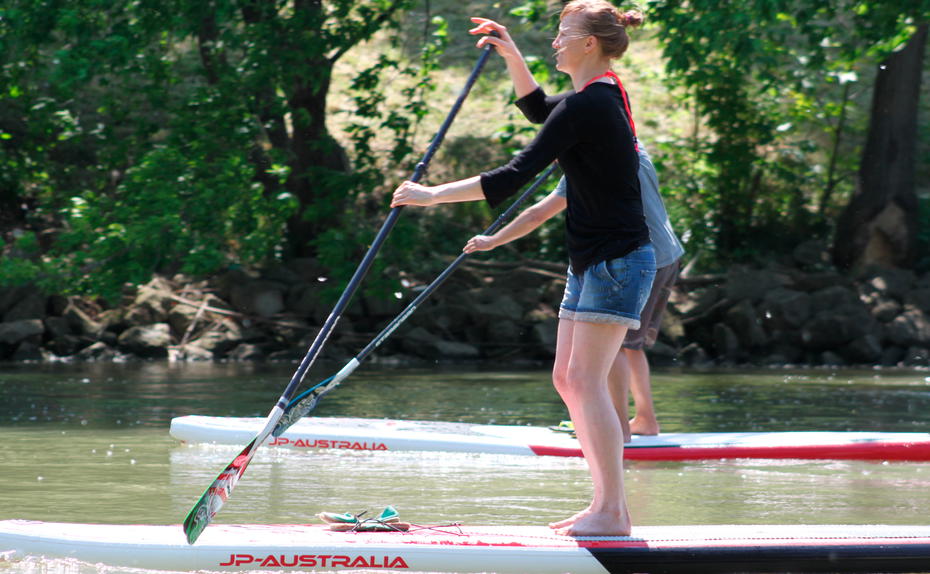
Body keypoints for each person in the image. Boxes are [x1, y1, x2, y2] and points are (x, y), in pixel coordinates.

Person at [392, 0, 654, 536]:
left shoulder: (593, 104)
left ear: (588, 44)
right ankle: (608, 507)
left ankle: (612, 514)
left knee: (586, 380)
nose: (555, 42)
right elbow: (541, 112)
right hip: (593, 262)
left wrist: (431, 194)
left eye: (563, 34)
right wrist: (512, 54)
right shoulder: (594, 96)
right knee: (568, 378)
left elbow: (514, 175)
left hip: (618, 261)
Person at [465, 145, 684, 440]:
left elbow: (537, 214)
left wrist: (493, 240)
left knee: (615, 344)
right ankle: (644, 419)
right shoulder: (632, 147)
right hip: (667, 254)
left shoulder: (589, 164)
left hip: (639, 258)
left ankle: (618, 428)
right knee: (630, 344)